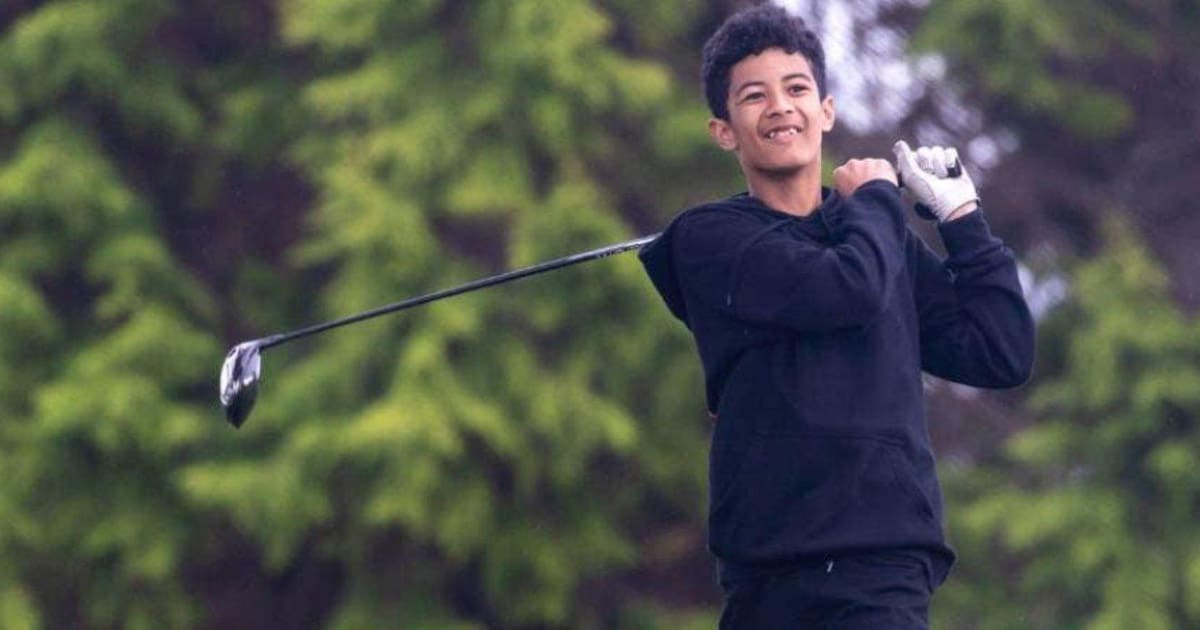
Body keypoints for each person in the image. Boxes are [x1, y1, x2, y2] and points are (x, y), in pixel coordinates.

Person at [638, 4, 1035, 628]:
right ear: (724, 130)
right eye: (754, 96)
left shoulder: (878, 241)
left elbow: (1000, 352)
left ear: (826, 110)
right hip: (766, 579)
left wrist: (964, 222)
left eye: (797, 89)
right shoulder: (710, 239)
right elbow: (844, 291)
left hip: (881, 568)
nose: (780, 107)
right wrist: (877, 197)